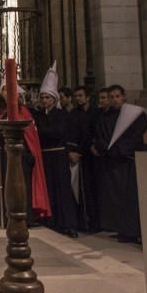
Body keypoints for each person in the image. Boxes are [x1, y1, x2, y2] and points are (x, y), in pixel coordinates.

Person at [0, 87, 52, 225]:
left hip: (21, 155)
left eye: (9, 90)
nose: (7, 93)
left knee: (23, 186)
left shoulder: (23, 111)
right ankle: (5, 216)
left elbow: (29, 135)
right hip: (3, 156)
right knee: (5, 185)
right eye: (4, 90)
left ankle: (26, 217)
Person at [94, 85, 147, 244]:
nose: (114, 99)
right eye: (111, 97)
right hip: (112, 162)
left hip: (128, 161)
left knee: (130, 197)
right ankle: (122, 229)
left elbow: (139, 136)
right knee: (116, 197)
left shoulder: (136, 115)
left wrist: (119, 149)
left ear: (124, 97)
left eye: (117, 96)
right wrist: (107, 148)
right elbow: (101, 136)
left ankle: (134, 230)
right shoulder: (105, 117)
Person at [33, 63, 78, 238]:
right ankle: (50, 220)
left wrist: (41, 132)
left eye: (47, 97)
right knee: (49, 189)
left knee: (63, 190)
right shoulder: (39, 115)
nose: (44, 100)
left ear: (54, 99)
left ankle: (68, 223)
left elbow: (57, 132)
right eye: (42, 97)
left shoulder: (61, 116)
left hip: (58, 155)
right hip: (44, 157)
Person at [66, 85, 98, 232]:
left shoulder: (95, 114)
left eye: (80, 95)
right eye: (76, 96)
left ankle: (96, 222)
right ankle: (84, 222)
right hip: (80, 155)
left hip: (95, 156)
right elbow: (70, 135)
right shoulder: (73, 115)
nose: (78, 98)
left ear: (88, 97)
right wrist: (71, 151)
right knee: (81, 190)